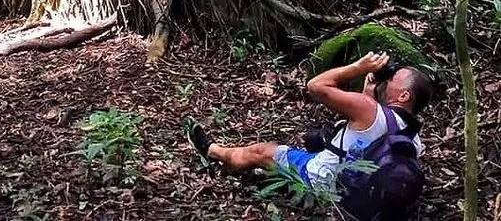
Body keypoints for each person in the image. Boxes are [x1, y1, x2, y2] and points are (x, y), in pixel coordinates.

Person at [186, 51, 433, 213]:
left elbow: (315, 85)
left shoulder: (369, 110)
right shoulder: (413, 139)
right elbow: (367, 136)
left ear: (404, 95)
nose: (387, 78)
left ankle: (213, 151)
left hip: (319, 180)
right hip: (354, 194)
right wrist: (369, 91)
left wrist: (358, 67)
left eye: (392, 78)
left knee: (262, 151)